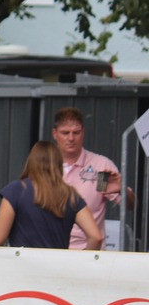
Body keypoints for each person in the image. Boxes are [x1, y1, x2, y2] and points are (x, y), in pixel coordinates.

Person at [0, 141, 102, 249]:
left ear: (30, 162)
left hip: (22, 268)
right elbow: (96, 237)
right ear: (58, 164)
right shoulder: (71, 196)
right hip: (58, 269)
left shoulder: (16, 190)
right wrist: (80, 262)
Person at [51, 106, 135, 250]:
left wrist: (122, 189)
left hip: (90, 253)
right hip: (50, 250)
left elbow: (130, 205)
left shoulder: (100, 167)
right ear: (55, 133)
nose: (71, 138)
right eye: (65, 133)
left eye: (76, 132)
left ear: (83, 132)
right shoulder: (46, 165)